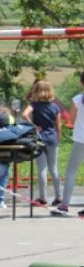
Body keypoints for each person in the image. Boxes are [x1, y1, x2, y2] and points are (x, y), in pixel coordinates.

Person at [22, 80, 62, 206]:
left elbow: (24, 114)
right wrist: (58, 138)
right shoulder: (55, 106)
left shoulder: (34, 105)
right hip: (52, 138)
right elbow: (58, 126)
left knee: (42, 168)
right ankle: (59, 197)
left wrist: (34, 125)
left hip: (39, 139)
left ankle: (43, 197)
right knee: (54, 168)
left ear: (36, 91)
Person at [53, 72, 84, 216]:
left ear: (81, 83)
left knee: (71, 172)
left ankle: (64, 206)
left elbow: (71, 120)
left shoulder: (77, 99)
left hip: (80, 139)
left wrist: (67, 120)